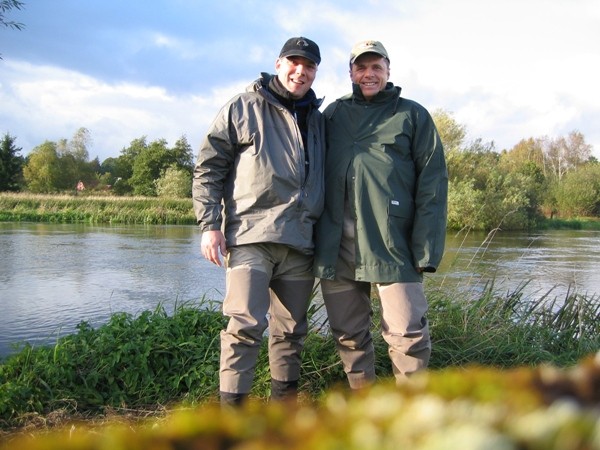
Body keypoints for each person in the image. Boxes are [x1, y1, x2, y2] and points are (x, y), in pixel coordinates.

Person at [192, 37, 325, 406]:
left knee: (291, 332)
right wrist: (209, 224)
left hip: (300, 242)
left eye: (309, 65)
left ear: (316, 72)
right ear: (279, 63)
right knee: (245, 327)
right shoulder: (243, 106)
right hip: (251, 236)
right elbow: (208, 168)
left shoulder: (318, 118)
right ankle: (233, 421)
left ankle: (282, 417)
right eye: (294, 62)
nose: (301, 70)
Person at [314, 40, 448, 388]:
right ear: (351, 73)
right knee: (349, 334)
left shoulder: (412, 114)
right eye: (362, 67)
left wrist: (426, 250)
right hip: (338, 247)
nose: (369, 74)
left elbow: (433, 184)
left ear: (388, 70)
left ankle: (410, 414)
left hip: (394, 245)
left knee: (407, 334)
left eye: (376, 67)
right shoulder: (332, 115)